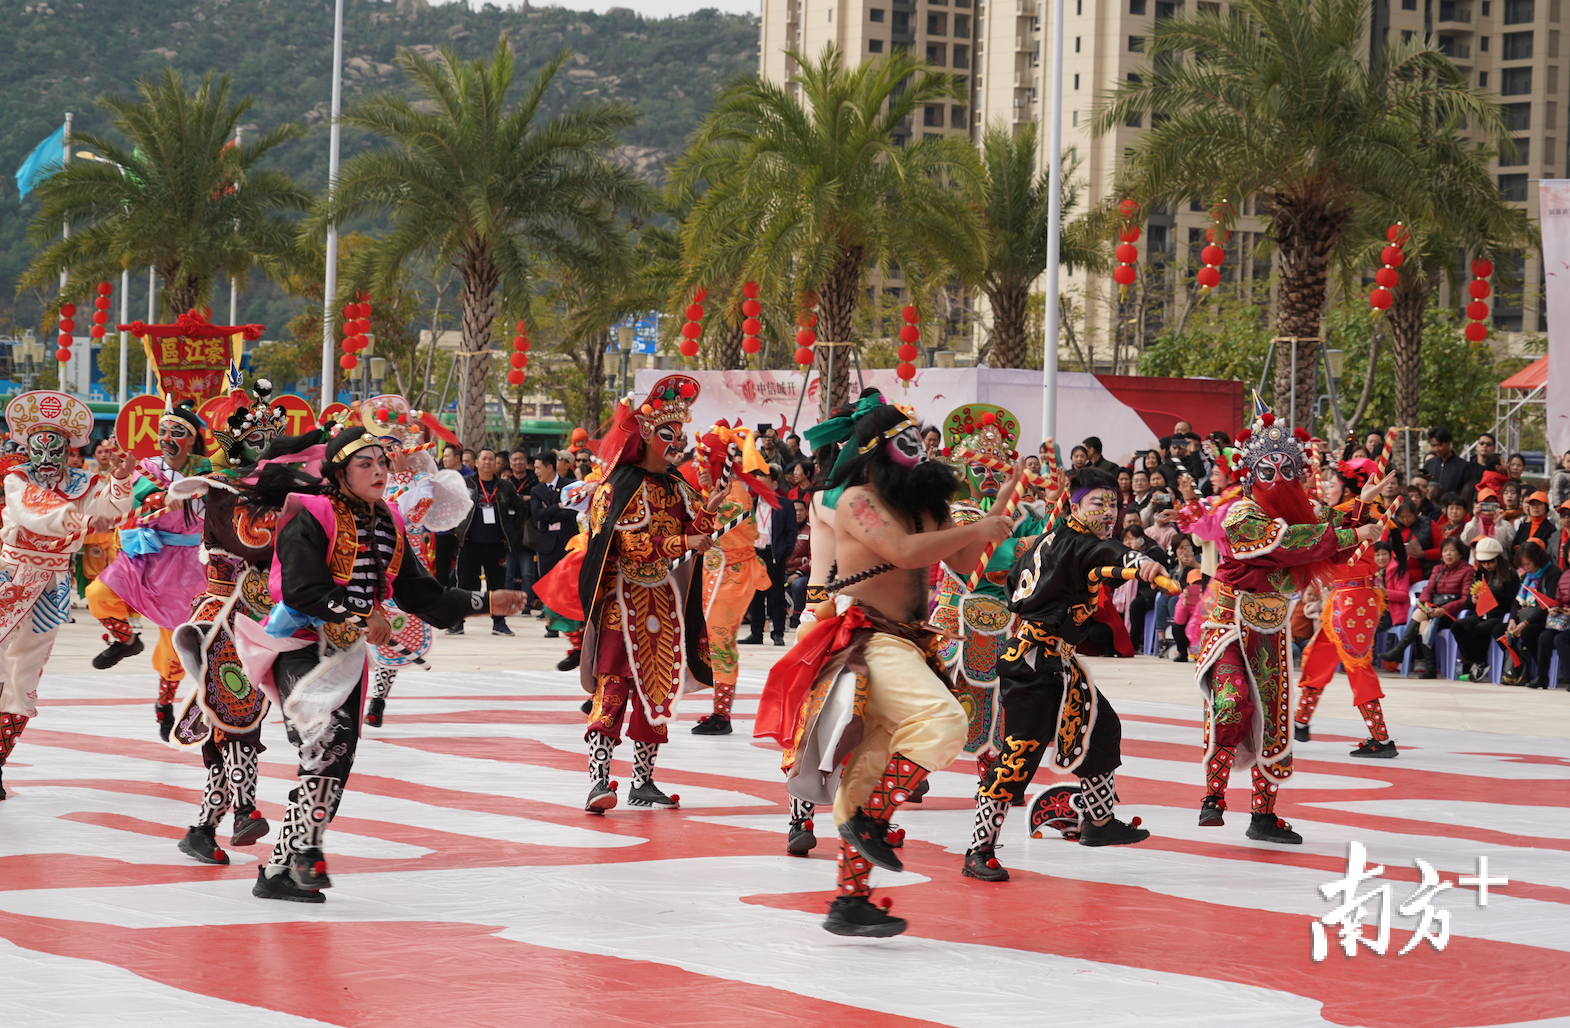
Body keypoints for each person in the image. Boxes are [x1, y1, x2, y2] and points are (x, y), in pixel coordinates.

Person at [753, 397, 1012, 937]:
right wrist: (975, 530)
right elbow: (905, 552)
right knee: (945, 723)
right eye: (906, 443)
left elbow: (963, 563)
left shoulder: (926, 501)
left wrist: (993, 519)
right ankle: (866, 820)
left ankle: (850, 901)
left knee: (869, 771)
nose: (919, 453)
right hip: (867, 637)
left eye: (919, 442)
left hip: (910, 643)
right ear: (875, 454)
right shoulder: (856, 500)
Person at [233, 425, 524, 902]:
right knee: (326, 740)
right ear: (339, 472)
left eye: (382, 462)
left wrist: (484, 601)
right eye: (364, 463)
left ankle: (280, 869)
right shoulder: (309, 513)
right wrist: (359, 614)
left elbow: (419, 593)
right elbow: (301, 588)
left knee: (336, 755)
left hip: (345, 653)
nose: (378, 471)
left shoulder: (387, 520)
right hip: (297, 644)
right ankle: (306, 850)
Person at [1194, 408, 1383, 844]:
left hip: (1271, 630)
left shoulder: (1305, 509)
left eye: (1286, 470)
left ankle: (1263, 815)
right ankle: (1214, 796)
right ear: (1250, 475)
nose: (1278, 479)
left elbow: (1328, 528)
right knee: (1232, 700)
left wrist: (1365, 502)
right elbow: (1288, 545)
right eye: (1267, 470)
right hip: (1229, 625)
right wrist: (1358, 533)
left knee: (1274, 722)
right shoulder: (1241, 515)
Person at [963, 465, 1160, 883]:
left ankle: (1099, 822)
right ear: (1073, 503)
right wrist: (1138, 562)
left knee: (1101, 727)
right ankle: (978, 849)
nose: (1109, 512)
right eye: (1098, 503)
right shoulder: (1079, 544)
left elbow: (1024, 577)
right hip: (1034, 665)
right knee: (1017, 758)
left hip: (1060, 662)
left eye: (1114, 503)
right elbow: (1106, 558)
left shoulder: (1049, 541)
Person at [167, 384, 308, 862]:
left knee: (236, 719)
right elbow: (254, 541)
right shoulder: (223, 491)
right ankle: (240, 811)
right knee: (235, 716)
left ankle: (206, 827)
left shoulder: (281, 492)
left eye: (274, 440)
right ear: (235, 444)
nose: (266, 449)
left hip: (262, 616)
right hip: (222, 614)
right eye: (257, 440)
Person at [578, 376, 723, 814]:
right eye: (667, 433)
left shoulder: (679, 486)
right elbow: (626, 545)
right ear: (645, 436)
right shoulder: (617, 487)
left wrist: (706, 519)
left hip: (663, 602)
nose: (676, 441)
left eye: (679, 434)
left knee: (657, 693)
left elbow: (694, 534)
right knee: (615, 688)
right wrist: (682, 543)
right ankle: (598, 780)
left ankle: (644, 781)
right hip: (623, 602)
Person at [0, 391, 136, 800]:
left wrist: (120, 479)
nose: (45, 455)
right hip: (9, 578)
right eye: (38, 445)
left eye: (54, 445)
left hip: (50, 586)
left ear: (67, 448)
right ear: (27, 445)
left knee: (23, 678)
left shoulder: (84, 481)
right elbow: (29, 510)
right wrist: (74, 517)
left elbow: (114, 508)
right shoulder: (16, 478)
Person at [929, 404, 1044, 794]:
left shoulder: (1016, 515)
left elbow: (1042, 542)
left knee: (1000, 704)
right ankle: (907, 766)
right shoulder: (957, 512)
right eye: (981, 469)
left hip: (1004, 621)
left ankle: (996, 775)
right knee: (943, 702)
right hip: (959, 619)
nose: (990, 477)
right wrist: (1026, 545)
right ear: (964, 473)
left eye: (998, 470)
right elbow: (984, 556)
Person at [87, 396, 212, 740]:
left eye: (176, 432)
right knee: (98, 593)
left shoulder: (207, 470)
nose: (166, 438)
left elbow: (223, 498)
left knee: (175, 643)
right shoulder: (149, 467)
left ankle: (164, 703)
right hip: (145, 555)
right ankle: (126, 640)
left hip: (185, 566)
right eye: (163, 431)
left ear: (192, 439)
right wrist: (154, 495)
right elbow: (134, 502)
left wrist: (191, 492)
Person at [358, 396, 473, 725]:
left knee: (392, 636)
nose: (385, 457)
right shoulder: (361, 482)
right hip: (361, 564)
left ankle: (377, 701)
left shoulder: (422, 484)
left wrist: (404, 475)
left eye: (392, 449)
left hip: (400, 570)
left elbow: (408, 515)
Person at [1294, 456, 1399, 757]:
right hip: (1343, 598)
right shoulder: (1347, 513)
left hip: (1354, 600)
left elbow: (1343, 523)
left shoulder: (1359, 516)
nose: (1327, 486)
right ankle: (1301, 722)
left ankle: (1381, 739)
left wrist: (1363, 503)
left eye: (1333, 482)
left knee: (1357, 665)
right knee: (1320, 655)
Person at [691, 423, 774, 736]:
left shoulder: (735, 494)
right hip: (719, 574)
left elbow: (712, 525)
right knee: (715, 641)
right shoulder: (722, 490)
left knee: (722, 641)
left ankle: (722, 715)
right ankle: (718, 709)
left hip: (733, 578)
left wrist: (705, 496)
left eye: (705, 463)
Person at [1379, 537, 1475, 678]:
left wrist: (1444, 610)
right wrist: (1424, 603)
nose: (1448, 554)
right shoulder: (1438, 569)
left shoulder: (1467, 570)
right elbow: (1428, 589)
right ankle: (1430, 668)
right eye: (1445, 551)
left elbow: (1465, 599)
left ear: (1460, 554)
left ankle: (1400, 650)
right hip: (1432, 612)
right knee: (1423, 623)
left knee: (1420, 616)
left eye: (1452, 550)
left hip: (1452, 615)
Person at [455, 447, 523, 636]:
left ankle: (499, 623)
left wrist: (511, 531)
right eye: (483, 459)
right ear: (476, 463)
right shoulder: (466, 483)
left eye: (491, 459)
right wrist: (457, 530)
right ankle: (458, 622)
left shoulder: (505, 486)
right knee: (465, 585)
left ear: (496, 463)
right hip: (470, 543)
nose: (487, 462)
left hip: (496, 545)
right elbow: (452, 506)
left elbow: (521, 509)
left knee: (497, 586)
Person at [740, 464, 796, 647]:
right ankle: (756, 633)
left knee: (776, 595)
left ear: (774, 483)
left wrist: (784, 552)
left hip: (774, 554)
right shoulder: (751, 503)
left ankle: (777, 632)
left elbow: (791, 532)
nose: (760, 487)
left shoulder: (785, 504)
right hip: (755, 553)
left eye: (764, 482)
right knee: (756, 595)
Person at [1449, 536, 1517, 682]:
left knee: (1481, 628)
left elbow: (1512, 600)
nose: (1487, 565)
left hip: (1499, 615)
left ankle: (1479, 662)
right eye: (1483, 561)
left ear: (1498, 558)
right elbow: (1468, 601)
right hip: (1480, 613)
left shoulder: (1509, 574)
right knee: (1457, 626)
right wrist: (1472, 599)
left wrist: (1493, 594)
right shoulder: (1479, 574)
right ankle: (1477, 661)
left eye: (1490, 561)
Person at [1497, 540, 1559, 686]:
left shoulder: (1553, 573)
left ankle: (1542, 671)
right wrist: (1512, 620)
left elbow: (1548, 605)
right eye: (1523, 565)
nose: (1525, 568)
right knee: (1500, 631)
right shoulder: (1526, 577)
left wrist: (1525, 623)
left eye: (1528, 564)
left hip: (1545, 618)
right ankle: (1521, 668)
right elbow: (1517, 602)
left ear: (1537, 559)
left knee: (1528, 633)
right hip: (1526, 616)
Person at [531, 450, 576, 640]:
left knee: (568, 584)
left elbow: (572, 511)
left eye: (538, 468)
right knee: (549, 585)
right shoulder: (536, 490)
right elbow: (536, 515)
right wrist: (558, 507)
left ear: (550, 467)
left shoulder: (569, 486)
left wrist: (548, 512)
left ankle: (571, 624)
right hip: (546, 543)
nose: (536, 472)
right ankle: (551, 625)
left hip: (566, 542)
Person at [503, 449, 540, 606]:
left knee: (527, 574)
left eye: (520, 459)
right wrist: (524, 499)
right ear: (510, 464)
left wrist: (519, 500)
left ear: (526, 462)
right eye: (514, 459)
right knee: (508, 573)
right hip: (509, 532)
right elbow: (503, 504)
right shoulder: (505, 483)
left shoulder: (535, 481)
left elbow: (537, 503)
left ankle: (526, 605)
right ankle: (507, 604)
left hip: (528, 532)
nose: (518, 462)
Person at [1384, 498, 1435, 582]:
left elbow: (1440, 549)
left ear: (1415, 513)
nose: (1405, 520)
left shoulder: (1428, 524)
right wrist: (1394, 554)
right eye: (1401, 517)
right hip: (1397, 575)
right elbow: (1382, 547)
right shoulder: (1391, 526)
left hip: (1424, 574)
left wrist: (1424, 554)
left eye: (1408, 516)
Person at [1423, 427, 1481, 499]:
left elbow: (1468, 492)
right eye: (1434, 446)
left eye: (1439, 445)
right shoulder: (1429, 463)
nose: (1436, 449)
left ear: (1448, 442)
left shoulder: (1464, 466)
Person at [1510, 490, 1556, 558]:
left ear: (1546, 507)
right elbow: (1512, 550)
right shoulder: (1523, 526)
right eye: (1532, 504)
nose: (1535, 507)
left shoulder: (1551, 530)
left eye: (1539, 504)